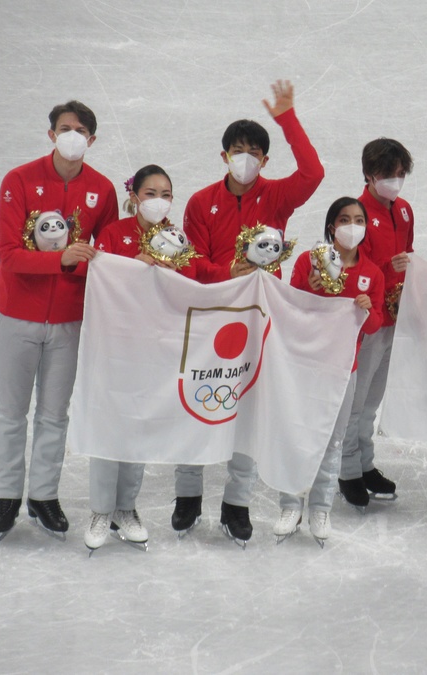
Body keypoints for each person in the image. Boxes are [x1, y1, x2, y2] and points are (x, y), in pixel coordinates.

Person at [176, 80, 325, 544]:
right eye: (238, 150)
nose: (246, 158)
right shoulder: (201, 202)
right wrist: (227, 271)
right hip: (211, 314)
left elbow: (314, 172)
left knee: (248, 408)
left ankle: (236, 502)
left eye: (255, 152)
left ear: (265, 159)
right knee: (200, 403)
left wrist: (288, 119)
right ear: (224, 156)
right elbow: (192, 262)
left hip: (260, 315)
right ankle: (187, 495)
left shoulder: (277, 196)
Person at [0, 100, 118, 541]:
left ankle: (43, 495)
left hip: (67, 320)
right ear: (51, 134)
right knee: (11, 412)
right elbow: (9, 255)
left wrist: (78, 267)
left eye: (81, 130)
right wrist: (62, 260)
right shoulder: (19, 180)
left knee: (53, 414)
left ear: (92, 139)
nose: (73, 135)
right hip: (16, 316)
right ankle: (7, 494)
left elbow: (108, 257)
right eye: (65, 128)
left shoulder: (102, 190)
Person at [83, 164, 195, 552]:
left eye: (166, 194)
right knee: (108, 425)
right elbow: (101, 280)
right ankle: (100, 510)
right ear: (133, 197)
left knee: (138, 425)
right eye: (150, 193)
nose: (158, 201)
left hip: (154, 346)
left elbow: (195, 278)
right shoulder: (114, 234)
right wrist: (137, 268)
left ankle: (126, 508)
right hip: (114, 346)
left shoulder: (177, 240)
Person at [274, 197, 384, 544]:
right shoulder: (311, 261)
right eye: (344, 220)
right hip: (305, 365)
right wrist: (311, 287)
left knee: (333, 439)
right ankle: (291, 505)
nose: (352, 227)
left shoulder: (373, 273)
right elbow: (292, 307)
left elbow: (375, 325)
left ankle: (320, 508)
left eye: (358, 220)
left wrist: (367, 311)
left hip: (343, 370)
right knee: (296, 434)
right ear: (331, 226)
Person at [338, 138, 414, 509]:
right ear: (369, 175)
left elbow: (406, 258)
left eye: (400, 175)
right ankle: (347, 469)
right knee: (356, 401)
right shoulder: (356, 218)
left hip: (394, 318)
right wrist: (390, 270)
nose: (395, 181)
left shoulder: (404, 212)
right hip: (367, 319)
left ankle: (365, 464)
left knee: (372, 401)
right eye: (387, 175)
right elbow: (357, 272)